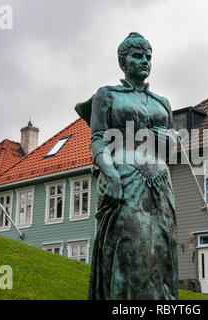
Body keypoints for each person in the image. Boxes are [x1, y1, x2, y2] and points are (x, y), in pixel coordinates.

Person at [75, 32, 178, 300]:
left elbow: (172, 147)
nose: (144, 60)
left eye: (148, 57)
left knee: (162, 254)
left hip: (161, 187)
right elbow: (98, 140)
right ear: (124, 62)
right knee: (132, 252)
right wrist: (109, 174)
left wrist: (166, 138)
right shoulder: (107, 95)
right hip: (125, 180)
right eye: (137, 56)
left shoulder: (162, 103)